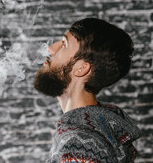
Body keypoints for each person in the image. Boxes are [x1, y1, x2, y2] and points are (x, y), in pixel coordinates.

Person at [34, 18, 141, 163]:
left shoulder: (78, 144)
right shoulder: (94, 128)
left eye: (64, 44)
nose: (51, 48)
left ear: (81, 68)